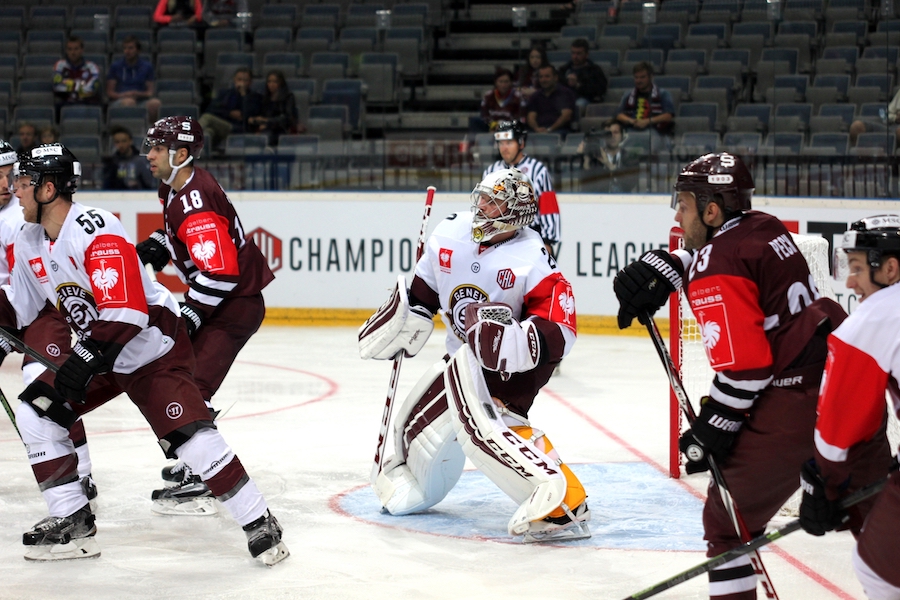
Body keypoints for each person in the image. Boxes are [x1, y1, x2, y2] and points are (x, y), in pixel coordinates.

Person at [5, 143, 287, 565]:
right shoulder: (28, 239)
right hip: (100, 348)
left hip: (149, 344)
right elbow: (21, 311)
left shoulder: (95, 230)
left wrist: (82, 361)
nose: (16, 192)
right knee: (38, 410)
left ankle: (259, 520)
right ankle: (73, 524)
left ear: (48, 189)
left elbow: (127, 311)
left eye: (24, 183)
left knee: (187, 436)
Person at [613, 152, 849, 599]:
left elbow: (746, 370)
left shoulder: (715, 267)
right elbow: (733, 251)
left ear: (711, 209)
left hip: (793, 400)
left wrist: (712, 425)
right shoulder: (766, 225)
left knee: (726, 523)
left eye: (683, 204)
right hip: (834, 377)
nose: (677, 215)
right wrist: (672, 264)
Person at [359, 167, 588, 543]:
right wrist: (409, 314)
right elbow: (423, 294)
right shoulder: (449, 232)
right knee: (416, 437)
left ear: (515, 213)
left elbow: (560, 327)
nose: (482, 206)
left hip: (509, 365)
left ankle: (567, 503)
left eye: (493, 202)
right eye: (481, 197)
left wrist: (518, 343)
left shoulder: (532, 254)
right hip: (460, 360)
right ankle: (416, 482)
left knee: (491, 425)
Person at [135, 116, 276, 503]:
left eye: (157, 149)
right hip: (227, 301)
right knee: (186, 379)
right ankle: (196, 459)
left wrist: (192, 312)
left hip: (232, 306)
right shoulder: (176, 187)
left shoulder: (192, 201)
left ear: (181, 154)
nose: (149, 155)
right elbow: (187, 238)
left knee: (192, 386)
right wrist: (159, 243)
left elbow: (222, 272)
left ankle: (204, 471)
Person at [798, 215, 900, 600]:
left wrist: (825, 481)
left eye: (857, 268)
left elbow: (837, 425)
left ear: (890, 269)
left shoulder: (876, 316)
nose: (850, 281)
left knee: (877, 568)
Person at [0, 140, 95, 503]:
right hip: (15, 306)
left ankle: (81, 473)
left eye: (10, 176)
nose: (9, 184)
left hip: (44, 310)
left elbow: (27, 293)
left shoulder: (21, 220)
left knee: (47, 385)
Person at [482, 120, 560, 257]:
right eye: (501, 143)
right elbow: (483, 207)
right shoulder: (491, 172)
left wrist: (547, 242)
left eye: (509, 142)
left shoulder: (537, 170)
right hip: (498, 238)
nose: (504, 148)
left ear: (521, 143)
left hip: (530, 239)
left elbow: (549, 208)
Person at [615, 61, 674, 154]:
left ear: (650, 77)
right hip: (632, 130)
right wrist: (632, 121)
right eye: (636, 77)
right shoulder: (628, 95)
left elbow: (668, 116)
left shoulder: (663, 94)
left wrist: (647, 121)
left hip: (655, 131)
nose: (638, 80)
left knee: (650, 149)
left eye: (642, 77)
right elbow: (619, 115)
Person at [199, 67, 263, 152]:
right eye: (239, 79)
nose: (242, 83)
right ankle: (200, 156)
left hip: (238, 128)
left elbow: (249, 116)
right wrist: (228, 113)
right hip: (222, 125)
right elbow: (211, 109)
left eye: (245, 80)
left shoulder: (255, 97)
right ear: (234, 80)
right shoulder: (225, 94)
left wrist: (243, 95)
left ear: (250, 82)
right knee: (208, 132)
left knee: (207, 117)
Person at [106, 35, 161, 123]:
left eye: (130, 48)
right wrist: (124, 95)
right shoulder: (115, 66)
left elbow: (150, 92)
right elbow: (110, 92)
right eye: (125, 48)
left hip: (141, 100)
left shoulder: (147, 67)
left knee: (155, 103)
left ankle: (150, 131)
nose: (127, 51)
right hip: (121, 100)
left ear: (138, 50)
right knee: (129, 102)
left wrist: (137, 94)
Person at [576, 120, 638, 193]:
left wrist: (608, 164)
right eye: (608, 133)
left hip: (622, 201)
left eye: (616, 132)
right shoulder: (596, 156)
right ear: (602, 136)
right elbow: (585, 187)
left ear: (622, 135)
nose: (612, 136)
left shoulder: (630, 157)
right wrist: (586, 159)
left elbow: (629, 185)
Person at [249, 70, 300, 146]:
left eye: (275, 82)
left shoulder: (288, 97)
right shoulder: (265, 98)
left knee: (267, 136)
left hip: (281, 129)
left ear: (281, 83)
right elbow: (261, 115)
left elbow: (288, 118)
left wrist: (268, 121)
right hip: (266, 128)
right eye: (269, 82)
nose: (271, 84)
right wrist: (254, 120)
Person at [52, 36, 101, 115]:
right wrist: (80, 84)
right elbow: (57, 86)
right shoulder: (59, 65)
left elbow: (92, 88)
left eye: (76, 49)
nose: (73, 52)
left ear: (82, 50)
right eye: (70, 49)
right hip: (66, 102)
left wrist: (69, 84)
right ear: (66, 51)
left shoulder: (92, 67)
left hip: (87, 102)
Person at [559, 38, 608, 110]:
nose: (575, 57)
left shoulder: (594, 70)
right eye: (573, 53)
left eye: (578, 53)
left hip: (585, 99)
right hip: (565, 98)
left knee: (577, 105)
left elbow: (600, 89)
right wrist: (567, 82)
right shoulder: (564, 69)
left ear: (586, 54)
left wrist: (578, 85)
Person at [526, 65, 576, 135]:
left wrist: (549, 130)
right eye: (541, 77)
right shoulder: (536, 96)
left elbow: (566, 116)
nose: (543, 80)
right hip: (538, 131)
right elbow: (531, 116)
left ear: (555, 78)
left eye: (547, 76)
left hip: (560, 131)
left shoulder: (565, 93)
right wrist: (536, 129)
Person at [103, 125, 155, 190]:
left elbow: (149, 184)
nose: (121, 145)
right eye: (117, 142)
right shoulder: (112, 163)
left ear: (130, 141)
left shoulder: (141, 160)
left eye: (124, 141)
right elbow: (107, 186)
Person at [475, 68, 527, 133]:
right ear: (496, 82)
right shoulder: (488, 96)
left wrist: (505, 126)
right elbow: (484, 115)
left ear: (511, 82)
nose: (503, 85)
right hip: (492, 128)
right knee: (475, 121)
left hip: (511, 130)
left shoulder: (518, 97)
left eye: (506, 82)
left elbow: (522, 118)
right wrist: (493, 125)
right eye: (500, 81)